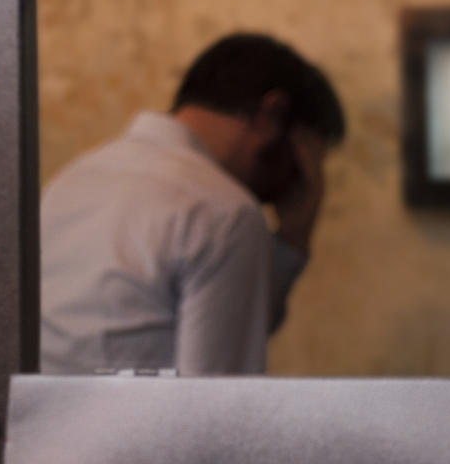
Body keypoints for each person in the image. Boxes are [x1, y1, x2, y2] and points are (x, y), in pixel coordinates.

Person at [40, 34, 345, 374]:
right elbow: (216, 403)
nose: (300, 182)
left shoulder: (70, 179)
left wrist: (290, 239)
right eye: (305, 160)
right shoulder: (225, 213)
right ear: (271, 115)